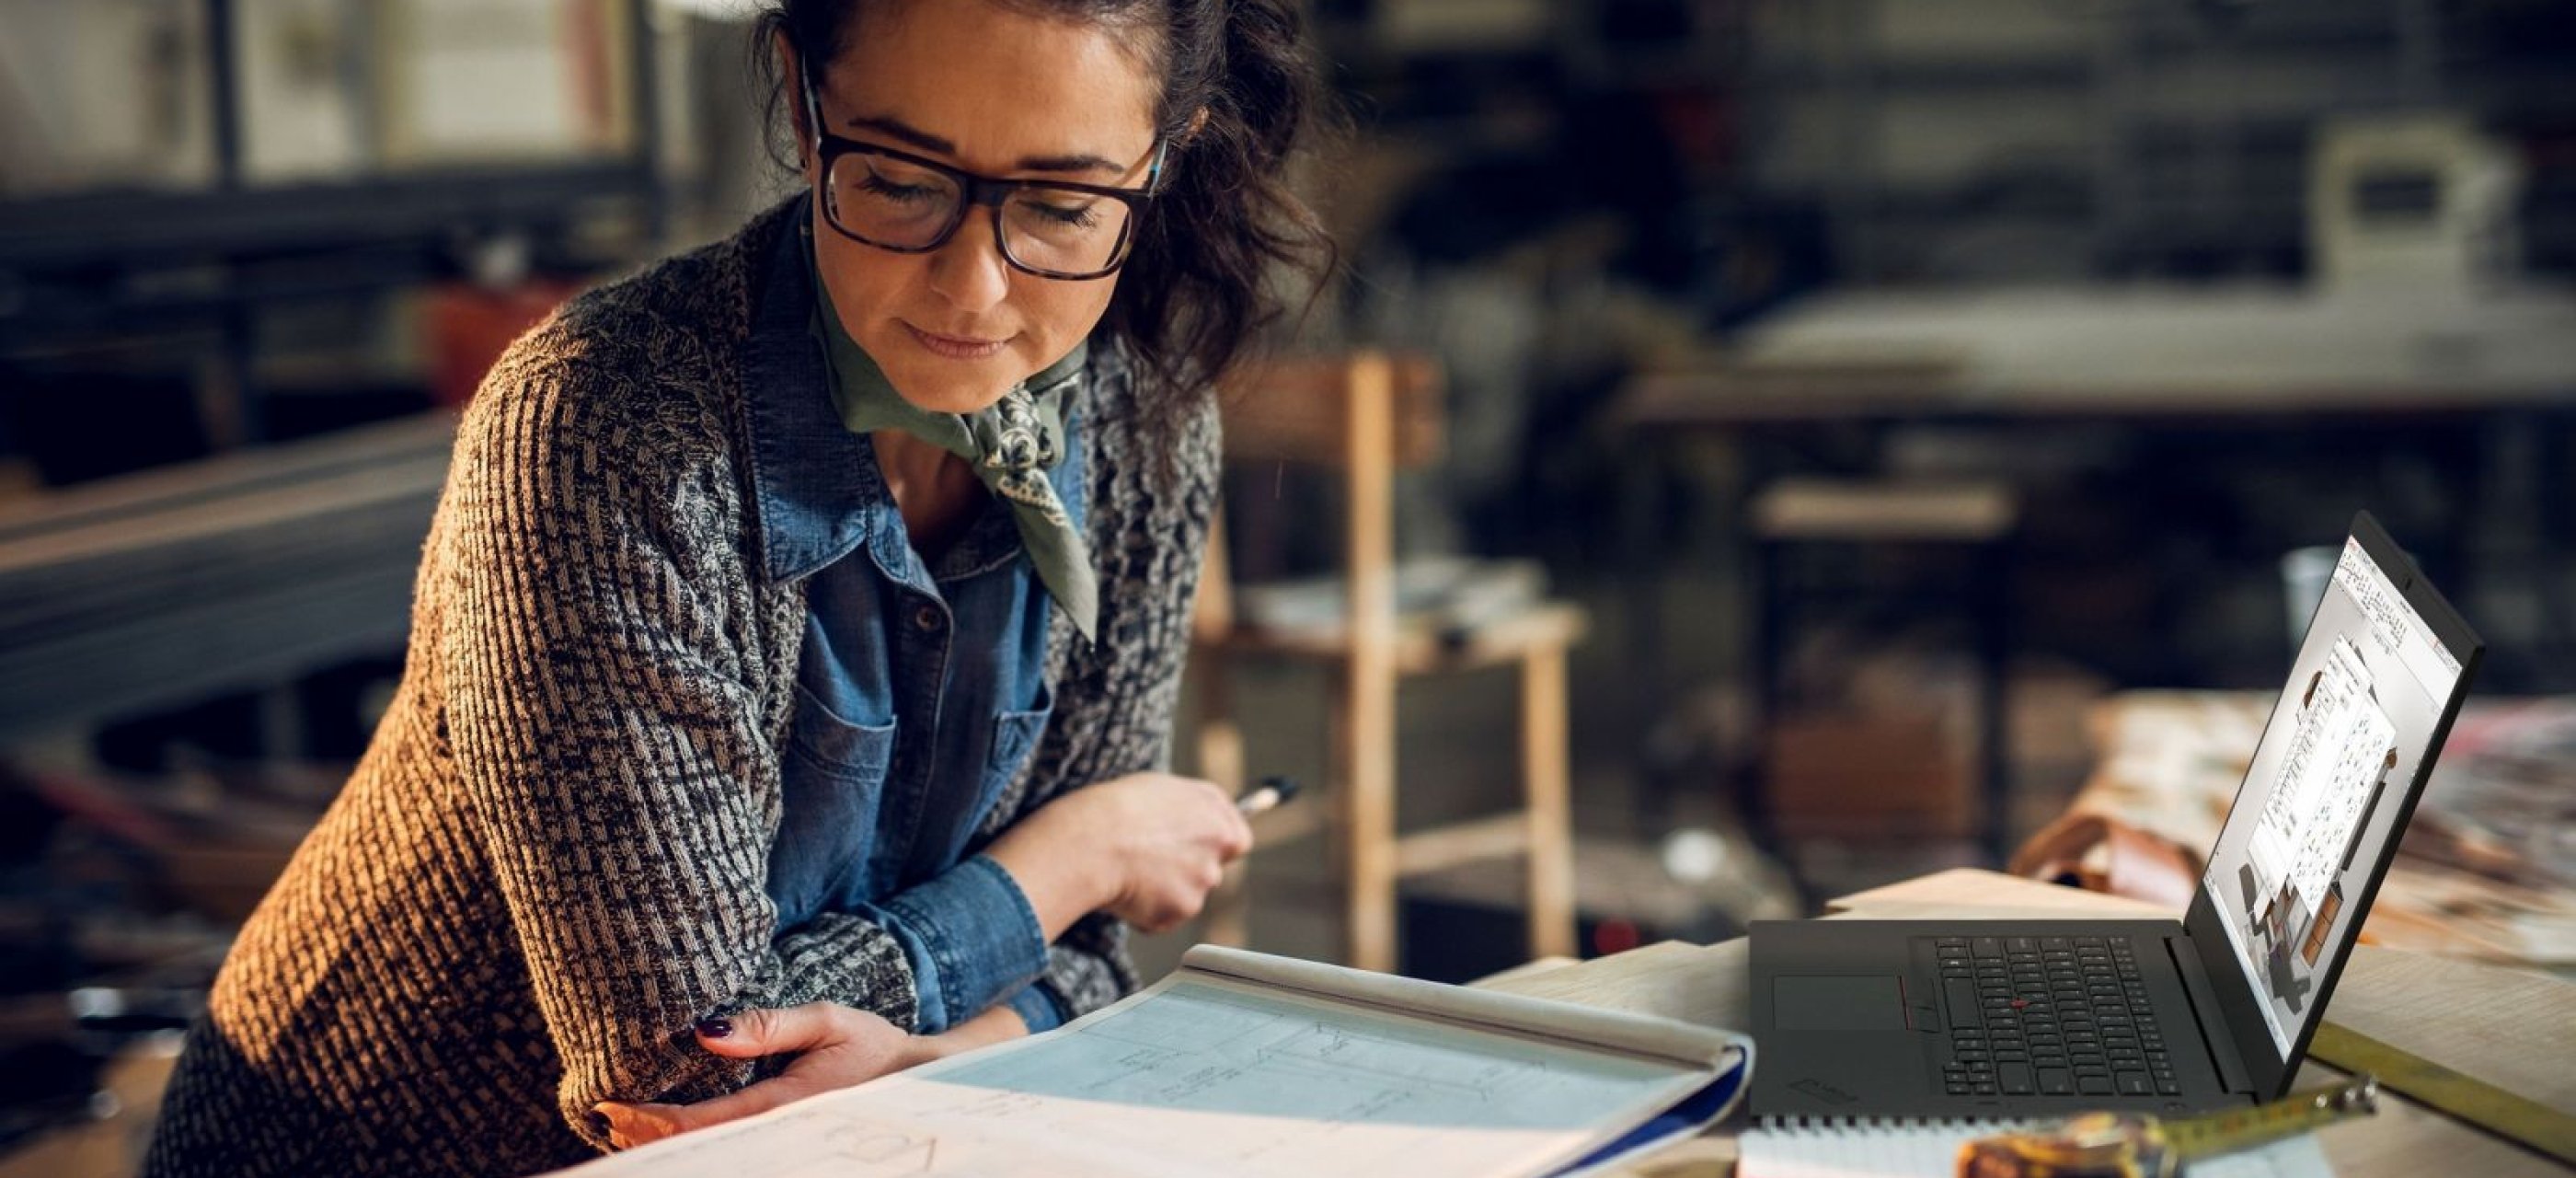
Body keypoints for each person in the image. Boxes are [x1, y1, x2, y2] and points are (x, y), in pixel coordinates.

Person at [141, 0, 1329, 1172]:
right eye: (903, 182)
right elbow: (684, 1079)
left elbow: (1089, 963)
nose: (974, 287)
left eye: (1064, 205)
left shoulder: (1149, 426)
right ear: (808, 113)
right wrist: (1072, 855)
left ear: (1167, 156)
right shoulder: (606, 429)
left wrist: (945, 1054)